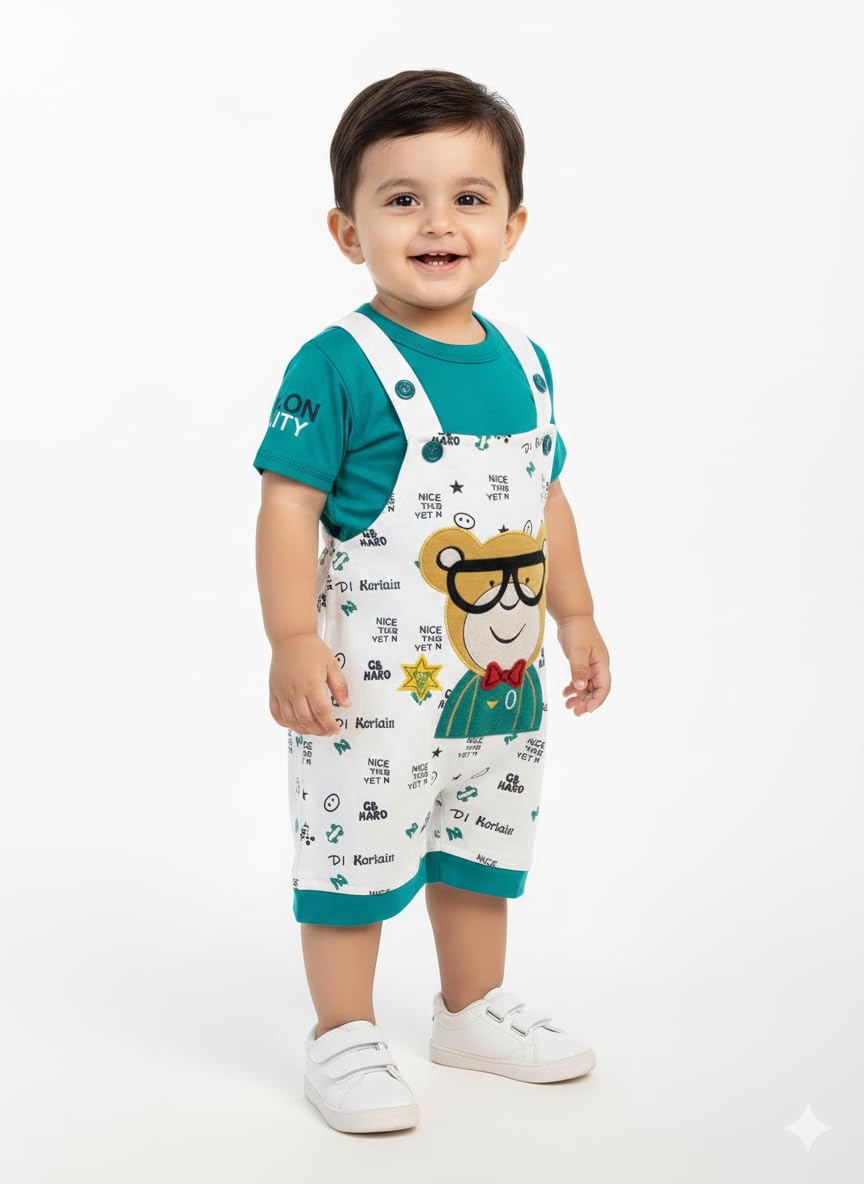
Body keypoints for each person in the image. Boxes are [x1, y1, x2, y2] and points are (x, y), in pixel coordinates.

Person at [253, 68, 612, 1134]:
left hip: (499, 689)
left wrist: (578, 616)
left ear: (513, 226)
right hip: (370, 692)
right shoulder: (337, 363)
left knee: (484, 842)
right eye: (402, 198)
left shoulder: (528, 365)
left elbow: (546, 498)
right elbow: (287, 504)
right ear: (347, 230)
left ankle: (471, 1007)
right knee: (352, 856)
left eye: (469, 197)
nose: (438, 223)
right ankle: (342, 1032)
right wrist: (290, 635)